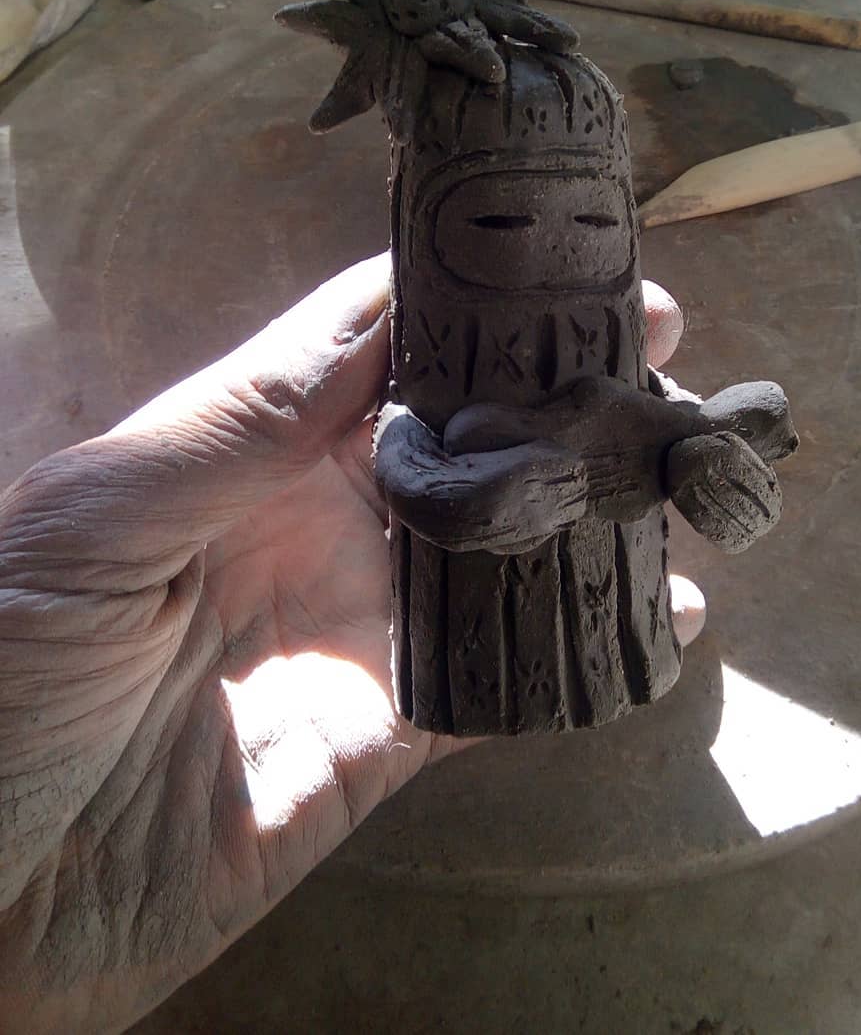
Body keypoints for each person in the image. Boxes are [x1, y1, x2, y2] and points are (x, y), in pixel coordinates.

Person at [0, 254, 704, 1033]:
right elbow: (409, 471)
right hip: (431, 634)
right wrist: (481, 498)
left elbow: (680, 432)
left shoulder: (606, 378)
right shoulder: (414, 397)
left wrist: (711, 453)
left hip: (543, 616)